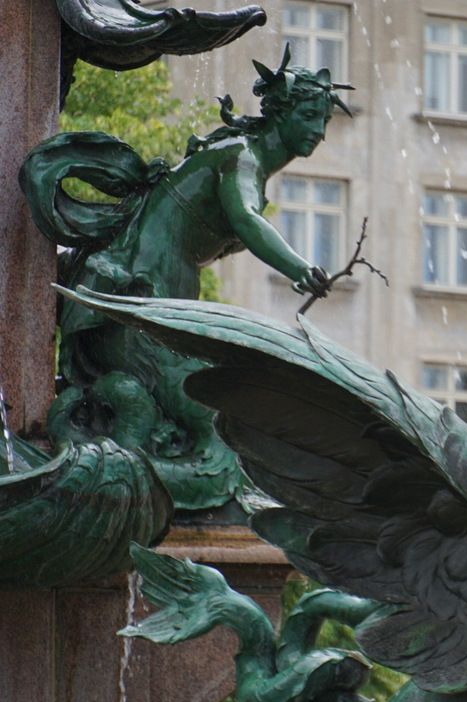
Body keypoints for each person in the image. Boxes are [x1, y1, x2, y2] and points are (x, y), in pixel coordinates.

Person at [19, 46, 348, 510]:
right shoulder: (241, 156)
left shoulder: (238, 157)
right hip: (138, 309)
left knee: (226, 416)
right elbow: (248, 221)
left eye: (324, 121)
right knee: (222, 423)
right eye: (311, 115)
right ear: (281, 111)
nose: (318, 131)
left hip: (142, 308)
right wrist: (297, 267)